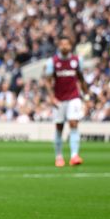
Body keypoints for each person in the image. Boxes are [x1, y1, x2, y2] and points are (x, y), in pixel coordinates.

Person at [43, 35, 90, 167]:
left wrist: (86, 97)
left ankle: (74, 156)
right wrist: (52, 97)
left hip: (73, 97)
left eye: (67, 44)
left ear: (70, 46)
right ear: (59, 46)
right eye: (62, 44)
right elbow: (47, 81)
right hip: (59, 98)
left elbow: (81, 79)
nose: (64, 46)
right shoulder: (53, 61)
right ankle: (59, 156)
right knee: (59, 127)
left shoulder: (77, 60)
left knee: (74, 123)